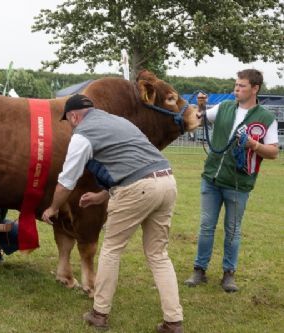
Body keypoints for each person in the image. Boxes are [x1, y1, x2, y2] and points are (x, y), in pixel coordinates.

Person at [42, 94, 184, 333]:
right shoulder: (120, 122)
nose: (70, 125)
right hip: (167, 181)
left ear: (74, 116)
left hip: (137, 189)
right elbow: (132, 163)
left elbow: (67, 180)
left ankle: (99, 313)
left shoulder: (83, 134)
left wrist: (53, 207)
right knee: (158, 254)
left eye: (68, 120)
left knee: (111, 249)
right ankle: (173, 320)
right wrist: (101, 195)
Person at [184, 69, 279, 292]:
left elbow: (274, 152)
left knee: (233, 229)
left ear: (255, 88)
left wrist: (254, 145)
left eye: (242, 85)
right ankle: (199, 270)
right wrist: (200, 105)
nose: (236, 89)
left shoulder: (266, 118)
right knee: (206, 226)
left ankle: (229, 273)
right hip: (211, 179)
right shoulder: (225, 107)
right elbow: (200, 117)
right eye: (236, 85)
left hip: (239, 183)